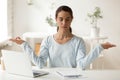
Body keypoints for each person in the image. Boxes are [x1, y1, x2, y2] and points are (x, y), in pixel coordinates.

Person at [10, 5, 116, 70]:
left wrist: (99, 47)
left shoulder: (78, 42)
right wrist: (24, 44)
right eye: (61, 19)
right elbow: (40, 64)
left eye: (67, 19)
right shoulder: (47, 41)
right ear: (56, 19)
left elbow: (81, 65)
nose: (64, 22)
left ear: (71, 20)